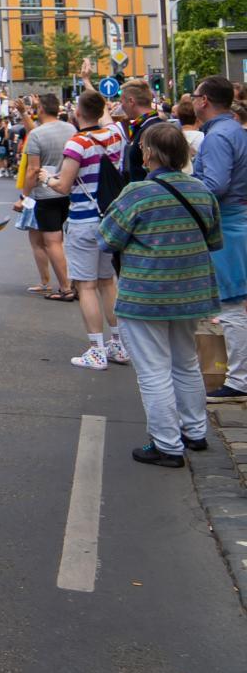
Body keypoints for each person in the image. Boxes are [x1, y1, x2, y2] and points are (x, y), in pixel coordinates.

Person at [98, 123, 222, 466]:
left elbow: (107, 240)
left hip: (146, 293)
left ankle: (167, 444)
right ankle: (195, 433)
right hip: (190, 292)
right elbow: (213, 241)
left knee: (153, 370)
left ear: (148, 153)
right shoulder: (201, 191)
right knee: (185, 363)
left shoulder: (137, 193)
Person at [42, 91, 128, 371]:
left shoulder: (77, 143)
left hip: (83, 220)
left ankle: (96, 349)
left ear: (78, 113)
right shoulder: (115, 136)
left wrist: (47, 178)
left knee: (86, 285)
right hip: (109, 219)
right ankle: (118, 343)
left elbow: (64, 185)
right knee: (107, 282)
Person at [190, 75, 247, 399]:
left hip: (225, 225)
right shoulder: (234, 130)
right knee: (233, 302)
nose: (194, 99)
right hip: (235, 221)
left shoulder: (218, 136)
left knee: (230, 305)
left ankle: (238, 380)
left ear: (204, 101)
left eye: (196, 94)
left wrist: (186, 193)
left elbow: (215, 185)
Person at [18, 94, 75, 302]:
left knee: (53, 242)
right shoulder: (71, 129)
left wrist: (23, 197)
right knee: (70, 240)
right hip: (69, 190)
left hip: (46, 194)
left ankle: (65, 288)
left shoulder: (36, 135)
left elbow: (33, 170)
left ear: (40, 109)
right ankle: (77, 283)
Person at [119, 80, 164, 186]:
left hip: (148, 196)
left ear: (131, 101)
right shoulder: (149, 125)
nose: (121, 106)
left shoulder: (151, 130)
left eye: (122, 102)